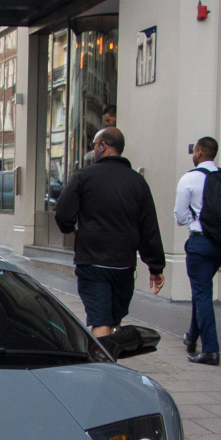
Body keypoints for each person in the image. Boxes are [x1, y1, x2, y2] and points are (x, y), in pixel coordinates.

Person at [54, 126, 165, 338]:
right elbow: (149, 227)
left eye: (95, 145)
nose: (93, 149)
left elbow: (63, 214)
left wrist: (73, 230)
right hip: (123, 264)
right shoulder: (137, 182)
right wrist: (155, 266)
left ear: (103, 146)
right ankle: (110, 362)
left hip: (92, 262)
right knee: (113, 322)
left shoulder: (84, 177)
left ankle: (103, 369)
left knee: (100, 320)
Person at [174, 137, 221, 365]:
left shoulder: (189, 178)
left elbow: (180, 217)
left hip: (200, 242)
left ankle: (210, 349)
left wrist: (195, 219)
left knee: (202, 294)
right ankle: (191, 337)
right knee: (202, 291)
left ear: (199, 152)